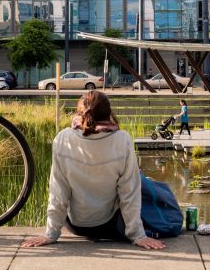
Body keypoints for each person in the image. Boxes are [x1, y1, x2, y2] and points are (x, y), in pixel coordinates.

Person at [22, 90, 165, 250]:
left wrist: (51, 233)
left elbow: (58, 190)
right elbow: (129, 192)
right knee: (140, 179)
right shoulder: (122, 139)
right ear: (108, 113)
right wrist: (138, 235)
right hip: (109, 224)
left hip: (75, 226)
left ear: (80, 113)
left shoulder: (63, 138)